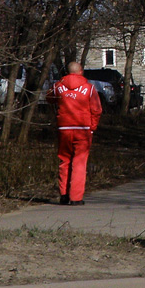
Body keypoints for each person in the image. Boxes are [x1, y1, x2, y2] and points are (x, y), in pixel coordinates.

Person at [48, 61, 103, 206]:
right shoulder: (89, 88)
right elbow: (97, 110)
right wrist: (92, 127)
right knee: (79, 162)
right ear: (81, 71)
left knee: (64, 161)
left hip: (64, 128)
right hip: (83, 129)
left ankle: (64, 195)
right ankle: (76, 197)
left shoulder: (58, 87)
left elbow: (49, 98)